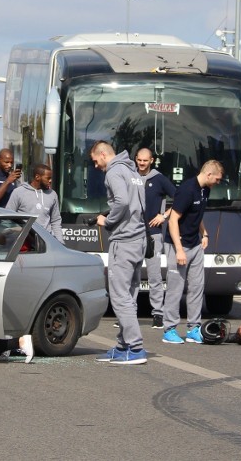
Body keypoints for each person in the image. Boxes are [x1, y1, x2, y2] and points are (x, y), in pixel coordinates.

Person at [90, 141, 148, 365]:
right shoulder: (131, 170)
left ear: (103, 154)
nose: (96, 166)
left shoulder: (114, 171)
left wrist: (108, 221)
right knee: (129, 295)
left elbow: (122, 201)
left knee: (119, 296)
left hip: (123, 241)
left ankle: (135, 348)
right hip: (138, 238)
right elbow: (136, 204)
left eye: (96, 161)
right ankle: (123, 345)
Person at [162, 160, 224, 344]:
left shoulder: (206, 190)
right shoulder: (187, 190)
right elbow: (173, 220)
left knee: (197, 287)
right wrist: (179, 250)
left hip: (195, 245)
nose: (218, 183)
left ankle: (193, 328)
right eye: (218, 179)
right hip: (178, 244)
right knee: (175, 288)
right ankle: (169, 329)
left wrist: (204, 233)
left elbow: (197, 215)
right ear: (209, 175)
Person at [136, 148, 176, 329]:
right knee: (131, 276)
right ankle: (127, 313)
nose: (142, 163)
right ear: (136, 160)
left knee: (154, 276)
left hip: (153, 234)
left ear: (151, 160)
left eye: (145, 160)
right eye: (139, 160)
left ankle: (158, 314)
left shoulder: (159, 179)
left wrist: (164, 216)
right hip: (133, 233)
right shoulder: (130, 177)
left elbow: (180, 199)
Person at [5, 163, 63, 243]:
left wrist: (60, 242)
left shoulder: (52, 194)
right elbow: (8, 217)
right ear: (37, 177)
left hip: (46, 243)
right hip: (23, 242)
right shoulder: (18, 192)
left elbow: (55, 220)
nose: (50, 181)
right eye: (48, 178)